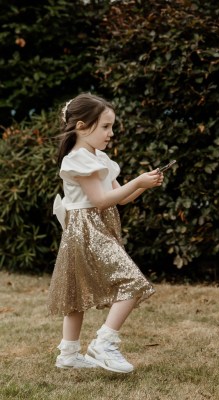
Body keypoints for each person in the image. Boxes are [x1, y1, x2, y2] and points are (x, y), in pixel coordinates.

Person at [48, 93, 163, 373]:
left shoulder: (100, 158)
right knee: (131, 283)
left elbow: (119, 198)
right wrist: (137, 180)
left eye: (112, 127)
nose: (110, 133)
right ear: (81, 126)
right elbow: (100, 201)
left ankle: (69, 354)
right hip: (86, 230)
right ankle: (104, 343)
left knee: (77, 294)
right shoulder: (77, 160)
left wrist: (142, 186)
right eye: (105, 127)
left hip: (99, 228)